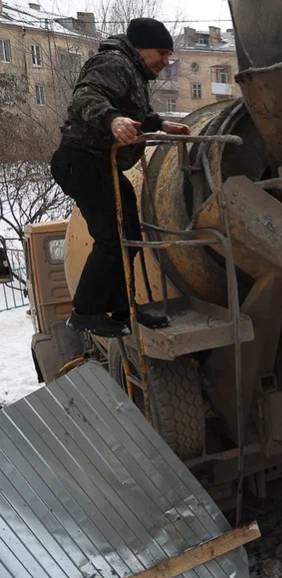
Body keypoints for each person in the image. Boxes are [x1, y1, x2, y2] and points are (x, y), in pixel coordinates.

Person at [50, 18, 190, 338]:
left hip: (101, 164)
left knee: (128, 233)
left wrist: (161, 124)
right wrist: (112, 121)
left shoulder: (131, 71)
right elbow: (86, 97)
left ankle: (121, 310)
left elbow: (134, 115)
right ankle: (85, 312)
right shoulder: (113, 63)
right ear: (141, 49)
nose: (165, 62)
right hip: (82, 161)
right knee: (112, 238)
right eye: (162, 53)